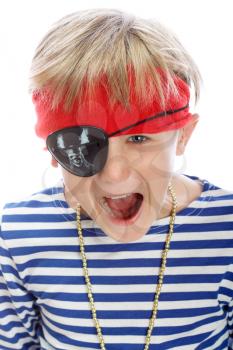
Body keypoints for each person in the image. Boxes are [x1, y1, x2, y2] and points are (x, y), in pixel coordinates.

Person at [0, 8, 233, 350]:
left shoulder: (225, 230)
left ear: (182, 136)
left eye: (139, 139)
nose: (113, 174)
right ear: (51, 151)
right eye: (83, 145)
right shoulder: (18, 236)